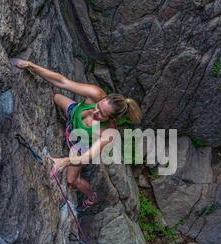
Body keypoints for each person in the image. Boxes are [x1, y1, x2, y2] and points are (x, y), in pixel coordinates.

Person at [10, 58, 143, 211]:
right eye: (98, 106)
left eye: (101, 114)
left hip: (80, 145)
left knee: (72, 180)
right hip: (74, 113)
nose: (95, 111)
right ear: (102, 98)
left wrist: (64, 161)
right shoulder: (96, 93)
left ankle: (92, 197)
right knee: (55, 97)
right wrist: (30, 65)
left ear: (111, 119)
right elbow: (62, 81)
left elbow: (87, 157)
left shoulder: (108, 132)